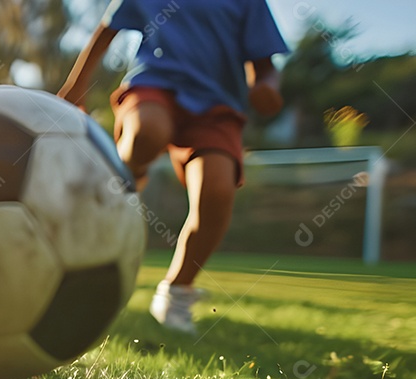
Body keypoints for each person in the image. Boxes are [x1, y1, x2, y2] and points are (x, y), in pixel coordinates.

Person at [59, 0, 288, 334]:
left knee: (217, 191)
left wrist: (267, 86)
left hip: (217, 105)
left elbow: (265, 64)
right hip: (155, 84)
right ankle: (131, 174)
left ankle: (177, 291)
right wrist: (76, 87)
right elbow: (107, 31)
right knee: (147, 131)